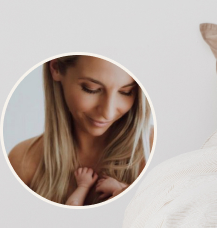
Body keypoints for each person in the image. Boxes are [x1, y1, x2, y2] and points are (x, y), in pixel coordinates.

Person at [8, 55, 154, 206]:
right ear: (56, 68)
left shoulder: (152, 148)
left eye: (126, 92)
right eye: (91, 89)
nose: (108, 113)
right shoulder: (22, 160)